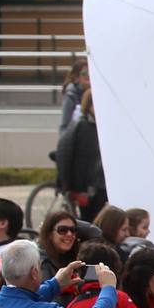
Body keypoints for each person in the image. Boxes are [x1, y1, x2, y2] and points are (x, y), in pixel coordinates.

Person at [56, 92, 106, 221]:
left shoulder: (102, 127)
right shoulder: (81, 126)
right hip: (88, 188)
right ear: (89, 105)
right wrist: (70, 187)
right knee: (90, 221)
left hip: (101, 186)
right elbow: (66, 155)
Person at [37, 210, 84, 284]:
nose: (69, 234)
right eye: (62, 230)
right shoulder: (43, 263)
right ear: (49, 234)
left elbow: (95, 232)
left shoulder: (72, 256)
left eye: (73, 230)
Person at [59, 59, 89, 130]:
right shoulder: (71, 95)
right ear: (77, 77)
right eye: (84, 74)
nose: (88, 76)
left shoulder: (94, 93)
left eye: (90, 73)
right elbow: (64, 125)